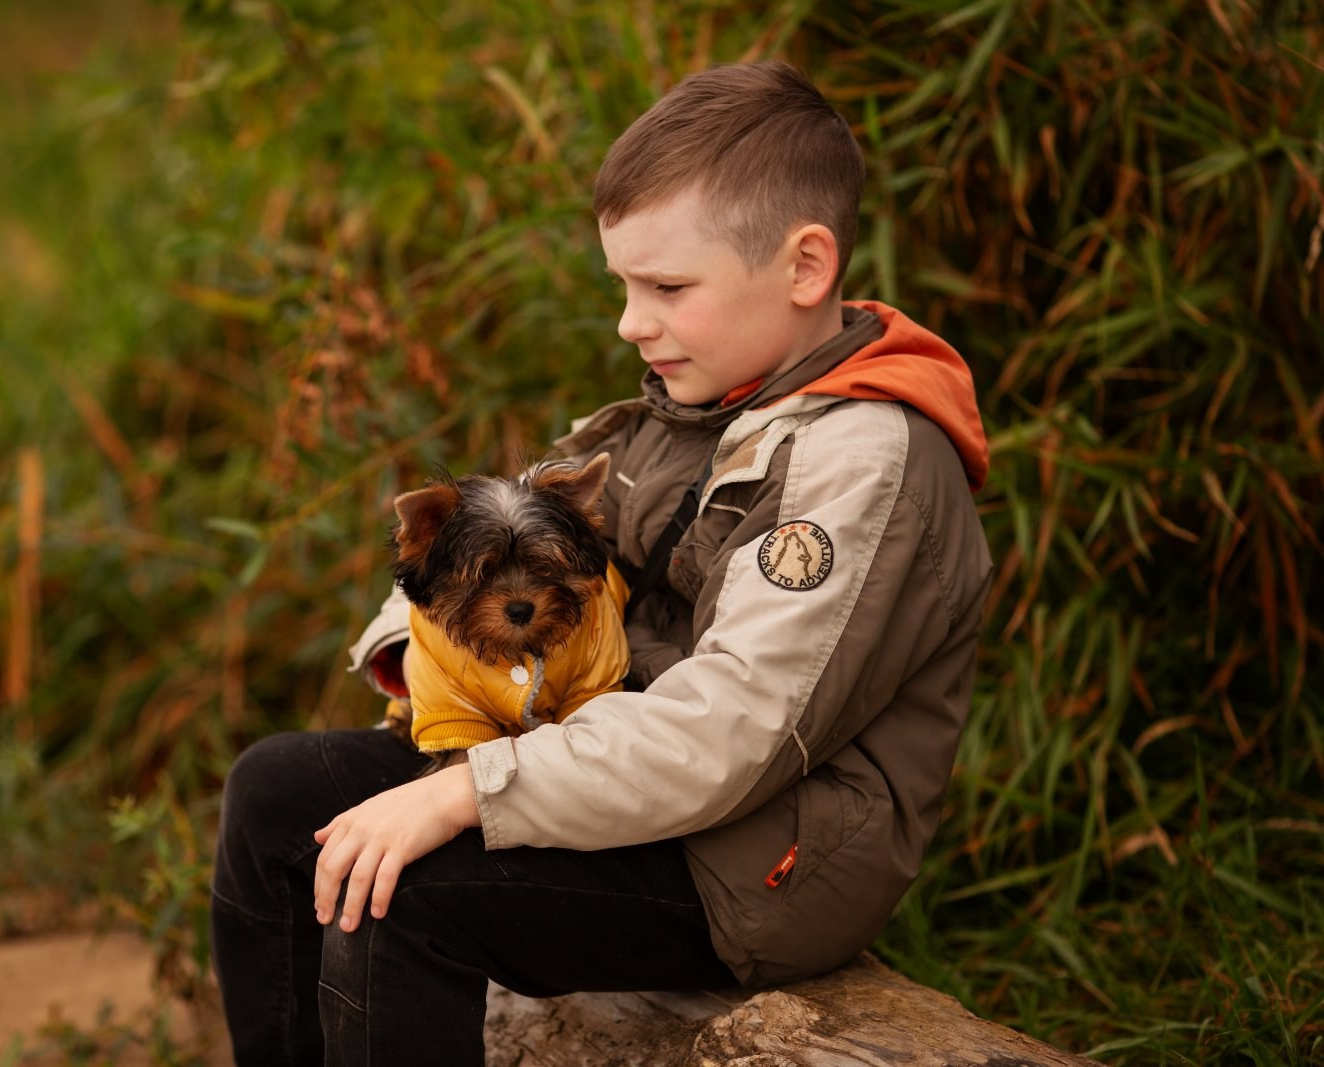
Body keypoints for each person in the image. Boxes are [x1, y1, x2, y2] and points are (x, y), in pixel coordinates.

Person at [211, 60, 992, 1065]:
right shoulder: (673, 410)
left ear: (804, 267)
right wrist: (430, 670)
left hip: (757, 857)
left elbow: (732, 732)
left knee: (397, 888)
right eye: (623, 285)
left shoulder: (864, 463)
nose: (631, 321)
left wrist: (466, 789)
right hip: (602, 770)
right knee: (277, 792)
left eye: (665, 287)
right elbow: (480, 557)